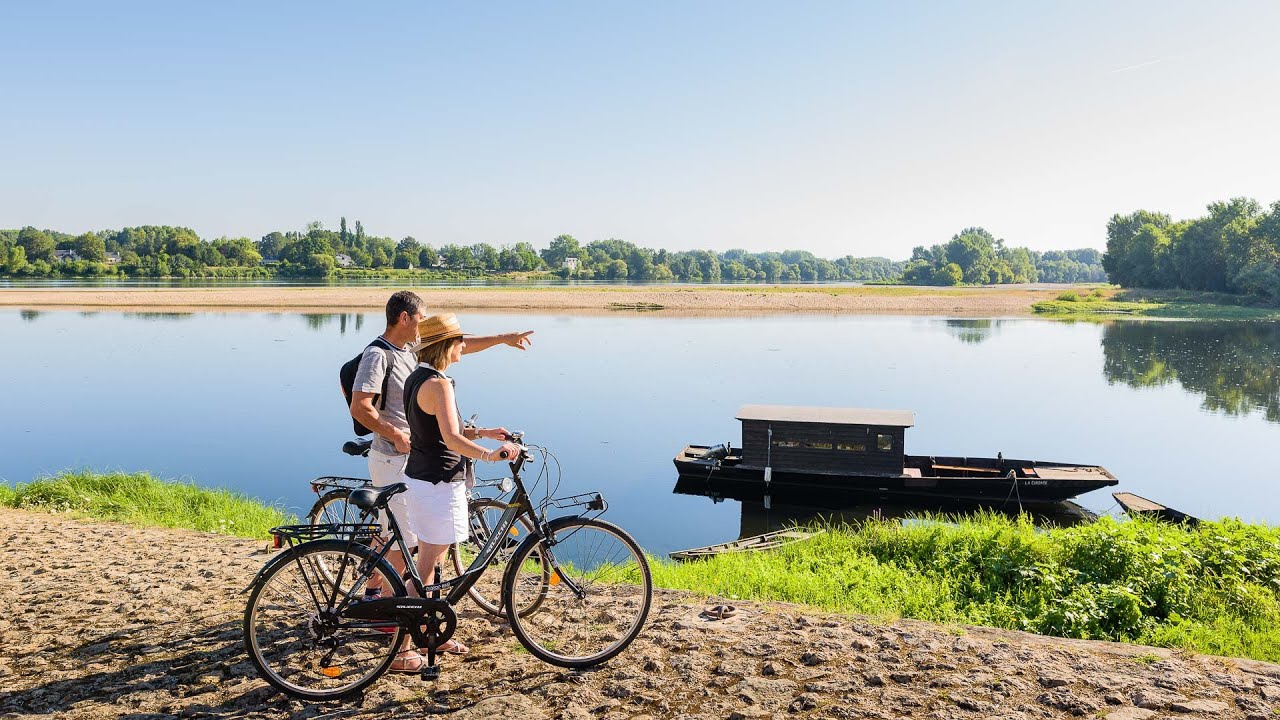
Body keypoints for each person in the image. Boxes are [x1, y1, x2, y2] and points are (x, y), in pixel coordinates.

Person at [349, 291, 530, 601]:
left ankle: (398, 609)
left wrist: (502, 338)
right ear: (404, 317)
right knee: (403, 541)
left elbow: (457, 346)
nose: (423, 324)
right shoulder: (380, 355)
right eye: (421, 318)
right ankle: (379, 603)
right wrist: (394, 433)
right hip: (395, 456)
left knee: (410, 543)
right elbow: (360, 407)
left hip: (416, 456)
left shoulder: (412, 356)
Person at [392, 313, 519, 672]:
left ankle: (432, 633)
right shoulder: (439, 384)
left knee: (435, 561)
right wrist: (490, 456)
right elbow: (449, 438)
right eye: (459, 340)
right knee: (427, 565)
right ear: (446, 346)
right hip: (438, 483)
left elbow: (438, 427)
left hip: (422, 478)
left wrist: (484, 432)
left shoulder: (420, 377)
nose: (465, 345)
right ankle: (401, 651)